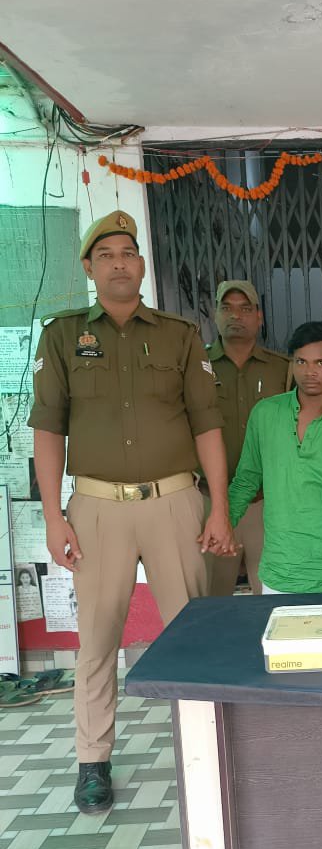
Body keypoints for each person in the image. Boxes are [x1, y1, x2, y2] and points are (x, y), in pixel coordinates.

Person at [28, 209, 233, 815]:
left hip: (173, 502)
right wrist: (53, 516)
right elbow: (48, 429)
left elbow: (207, 423)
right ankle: (93, 761)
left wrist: (218, 508)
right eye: (106, 254)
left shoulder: (179, 335)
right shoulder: (62, 336)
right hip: (95, 508)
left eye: (128, 252)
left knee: (191, 635)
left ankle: (208, 747)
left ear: (142, 265)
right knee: (97, 640)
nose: (119, 263)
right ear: (88, 268)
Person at [228, 321, 322, 593]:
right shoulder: (264, 415)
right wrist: (225, 524)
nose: (310, 372)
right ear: (292, 364)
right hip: (278, 573)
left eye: (321, 363)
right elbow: (246, 480)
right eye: (301, 362)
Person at [205, 279, 292, 595]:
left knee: (272, 595)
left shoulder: (283, 369)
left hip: (266, 503)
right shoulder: (196, 366)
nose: (235, 315)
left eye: (244, 308)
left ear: (259, 317)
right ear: (215, 315)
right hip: (211, 502)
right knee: (212, 599)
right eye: (226, 308)